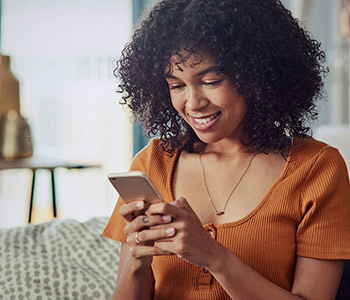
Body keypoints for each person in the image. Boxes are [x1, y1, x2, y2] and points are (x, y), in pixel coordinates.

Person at [103, 0, 350, 299]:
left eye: (211, 81)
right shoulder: (153, 162)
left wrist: (213, 256)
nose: (193, 103)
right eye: (176, 85)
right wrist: (136, 262)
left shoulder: (316, 168)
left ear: (255, 75)